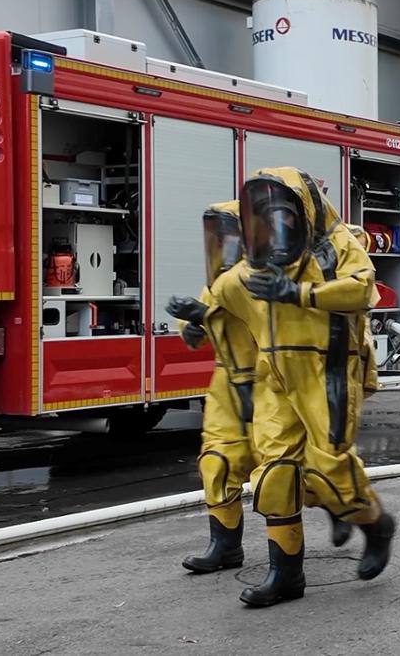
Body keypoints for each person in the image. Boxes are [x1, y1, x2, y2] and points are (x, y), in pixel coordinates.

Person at [226, 166, 395, 607]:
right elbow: (233, 290)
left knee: (329, 466)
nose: (273, 222)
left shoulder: (338, 244)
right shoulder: (260, 253)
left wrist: (299, 295)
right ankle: (286, 574)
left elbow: (362, 290)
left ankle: (374, 523)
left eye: (281, 212)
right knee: (274, 469)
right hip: (277, 371)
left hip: (329, 371)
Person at [166, 202, 259, 573]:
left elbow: (266, 329)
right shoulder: (219, 283)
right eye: (218, 238)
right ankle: (224, 546)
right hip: (226, 385)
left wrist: (206, 317)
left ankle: (289, 554)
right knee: (216, 462)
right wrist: (192, 326)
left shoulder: (266, 279)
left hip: (269, 382)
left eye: (229, 237)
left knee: (281, 472)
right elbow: (202, 332)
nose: (222, 246)